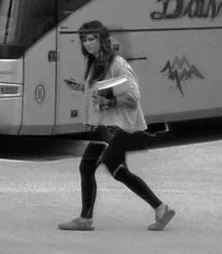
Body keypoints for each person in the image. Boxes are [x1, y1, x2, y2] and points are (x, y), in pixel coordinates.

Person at [59, 20, 174, 232]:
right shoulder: (96, 64)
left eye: (92, 39)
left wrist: (108, 102)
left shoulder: (118, 63)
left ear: (102, 40)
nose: (88, 44)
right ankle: (160, 208)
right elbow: (103, 89)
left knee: (92, 166)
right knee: (115, 169)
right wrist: (82, 87)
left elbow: (133, 97)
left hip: (118, 127)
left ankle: (85, 219)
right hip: (106, 125)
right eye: (84, 40)